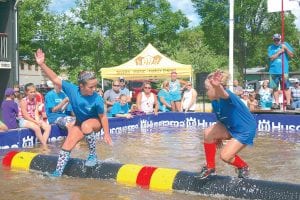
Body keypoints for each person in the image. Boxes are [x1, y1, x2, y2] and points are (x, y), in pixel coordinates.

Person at [35, 48, 112, 177]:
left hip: (95, 123)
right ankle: (57, 173)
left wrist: (107, 134)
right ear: (81, 86)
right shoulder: (71, 89)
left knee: (86, 125)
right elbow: (55, 78)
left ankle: (93, 154)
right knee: (66, 146)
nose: (94, 89)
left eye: (95, 86)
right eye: (91, 87)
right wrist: (42, 64)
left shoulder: (97, 99)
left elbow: (103, 117)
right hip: (79, 123)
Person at [197, 70, 256, 179]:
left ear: (216, 88)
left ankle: (243, 167)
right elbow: (222, 119)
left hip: (245, 129)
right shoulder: (215, 102)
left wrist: (217, 86)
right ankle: (210, 168)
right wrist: (217, 136)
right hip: (230, 126)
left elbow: (223, 93)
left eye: (207, 88)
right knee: (208, 132)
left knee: (225, 156)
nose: (206, 92)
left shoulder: (227, 95)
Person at [18, 83, 52, 148]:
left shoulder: (35, 100)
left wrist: (38, 120)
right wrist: (36, 122)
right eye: (31, 92)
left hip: (33, 119)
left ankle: (43, 144)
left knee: (48, 127)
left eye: (34, 92)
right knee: (37, 128)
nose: (33, 93)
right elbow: (25, 116)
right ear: (26, 92)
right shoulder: (23, 101)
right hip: (24, 120)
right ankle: (44, 146)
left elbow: (36, 112)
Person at [268, 33, 294, 110]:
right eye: (275, 40)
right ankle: (276, 103)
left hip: (284, 70)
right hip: (273, 71)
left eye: (278, 40)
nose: (276, 41)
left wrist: (286, 49)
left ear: (280, 39)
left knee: (286, 87)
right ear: (273, 39)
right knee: (274, 88)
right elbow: (271, 58)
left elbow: (292, 55)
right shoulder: (270, 47)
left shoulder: (285, 44)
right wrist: (279, 52)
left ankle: (288, 103)